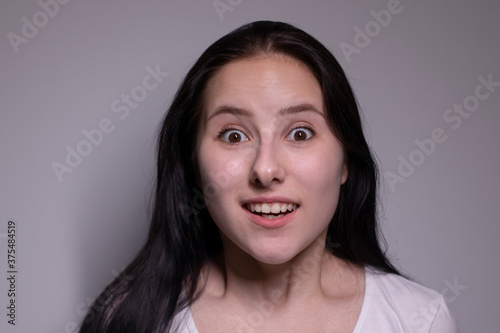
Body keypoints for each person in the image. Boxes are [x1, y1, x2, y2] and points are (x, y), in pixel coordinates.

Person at [79, 21, 458, 332]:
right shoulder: (127, 320)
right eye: (233, 135)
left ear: (346, 162)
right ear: (193, 164)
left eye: (300, 133)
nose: (265, 169)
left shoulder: (418, 321)